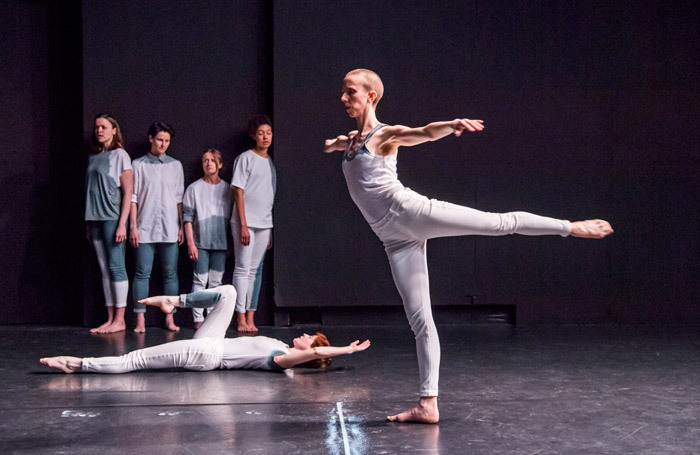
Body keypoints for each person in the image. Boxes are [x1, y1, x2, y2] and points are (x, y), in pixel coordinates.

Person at [324, 68, 614, 423]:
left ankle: (571, 227)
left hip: (413, 212)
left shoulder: (385, 135)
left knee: (499, 223)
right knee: (420, 321)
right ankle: (428, 404)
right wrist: (337, 144)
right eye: (342, 91)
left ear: (370, 96)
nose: (342, 98)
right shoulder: (353, 139)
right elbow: (344, 145)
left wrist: (450, 125)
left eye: (349, 92)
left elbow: (422, 133)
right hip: (393, 239)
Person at [40, 285, 371, 374]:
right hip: (213, 342)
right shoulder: (280, 346)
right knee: (229, 293)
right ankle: (176, 300)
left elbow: (315, 352)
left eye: (308, 337)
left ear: (307, 350)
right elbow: (313, 350)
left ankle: (77, 364)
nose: (304, 335)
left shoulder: (282, 359)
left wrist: (345, 350)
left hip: (206, 354)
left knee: (135, 360)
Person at [130, 121, 184, 333]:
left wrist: (180, 226)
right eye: (160, 140)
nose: (163, 144)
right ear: (151, 138)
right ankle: (140, 320)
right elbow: (133, 197)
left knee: (170, 274)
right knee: (142, 273)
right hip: (145, 226)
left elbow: (179, 198)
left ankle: (169, 319)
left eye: (167, 141)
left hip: (170, 227)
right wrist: (133, 226)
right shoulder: (138, 165)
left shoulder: (175, 165)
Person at [85, 113, 133, 334]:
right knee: (105, 270)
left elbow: (128, 192)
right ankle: (111, 318)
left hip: (112, 218)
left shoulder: (120, 155)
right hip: (94, 218)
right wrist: (88, 222)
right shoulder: (94, 157)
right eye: (97, 127)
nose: (99, 130)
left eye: (104, 127)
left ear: (114, 130)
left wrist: (123, 223)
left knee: (116, 267)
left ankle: (120, 320)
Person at [230, 115, 276, 332]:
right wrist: (243, 224)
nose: (265, 137)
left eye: (268, 133)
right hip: (245, 223)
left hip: (264, 224)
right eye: (261, 133)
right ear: (253, 135)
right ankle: (240, 319)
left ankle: (250, 317)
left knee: (256, 271)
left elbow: (268, 196)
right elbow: (238, 191)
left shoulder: (270, 163)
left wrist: (270, 227)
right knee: (242, 268)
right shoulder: (245, 158)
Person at [183, 149, 233, 329]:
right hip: (200, 242)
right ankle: (198, 319)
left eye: (213, 160)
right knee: (199, 280)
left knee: (215, 282)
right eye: (205, 160)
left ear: (220, 164)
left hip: (220, 243)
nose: (209, 163)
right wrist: (191, 244)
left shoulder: (228, 189)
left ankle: (212, 318)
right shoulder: (194, 188)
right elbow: (187, 219)